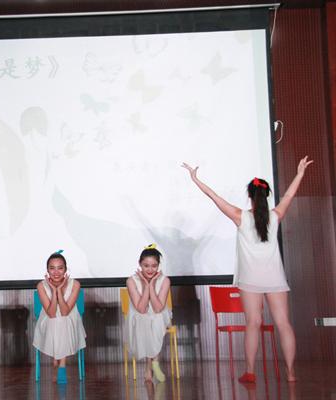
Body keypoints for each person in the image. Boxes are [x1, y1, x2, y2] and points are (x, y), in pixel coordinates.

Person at [182, 156, 313, 383]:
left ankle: (250, 371)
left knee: (253, 323)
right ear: (267, 195)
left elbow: (214, 196)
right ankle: (291, 373)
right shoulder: (275, 216)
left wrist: (195, 179)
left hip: (250, 280)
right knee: (283, 323)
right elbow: (289, 195)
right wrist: (299, 173)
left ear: (250, 196)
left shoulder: (240, 216)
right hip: (275, 278)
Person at [32, 252, 86, 384]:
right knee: (56, 320)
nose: (56, 272)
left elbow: (65, 311)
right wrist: (53, 290)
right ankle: (61, 363)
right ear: (47, 270)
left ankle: (61, 364)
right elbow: (51, 313)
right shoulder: (41, 286)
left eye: (60, 268)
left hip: (69, 318)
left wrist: (59, 291)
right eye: (52, 268)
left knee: (62, 319)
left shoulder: (75, 284)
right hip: (48, 320)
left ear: (66, 269)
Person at [125, 244, 172, 382]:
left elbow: (158, 308)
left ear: (158, 265)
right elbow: (141, 308)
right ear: (140, 264)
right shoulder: (131, 281)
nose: (150, 270)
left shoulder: (165, 280)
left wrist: (152, 285)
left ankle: (149, 366)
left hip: (159, 315)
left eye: (154, 266)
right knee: (145, 319)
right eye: (146, 266)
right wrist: (146, 285)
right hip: (138, 316)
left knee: (156, 318)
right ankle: (154, 362)